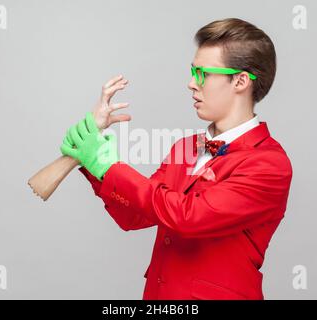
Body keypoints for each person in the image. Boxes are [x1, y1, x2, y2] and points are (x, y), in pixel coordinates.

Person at [60, 18, 293, 300]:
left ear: (240, 81)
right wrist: (92, 160)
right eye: (192, 71)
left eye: (203, 73)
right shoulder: (187, 147)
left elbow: (188, 217)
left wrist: (110, 167)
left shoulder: (269, 164)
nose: (191, 84)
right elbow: (134, 215)